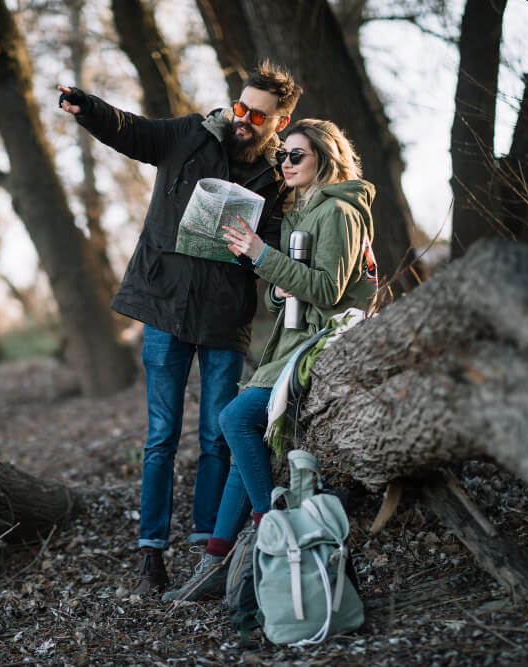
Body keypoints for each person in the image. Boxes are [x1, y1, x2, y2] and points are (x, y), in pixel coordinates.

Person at [57, 62, 303, 596]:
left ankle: (205, 552)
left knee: (218, 436)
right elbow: (133, 130)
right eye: (239, 107)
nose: (242, 118)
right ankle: (151, 554)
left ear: (279, 121)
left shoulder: (278, 174)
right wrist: (89, 107)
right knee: (161, 438)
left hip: (224, 317)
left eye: (256, 114)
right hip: (164, 307)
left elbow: (280, 248)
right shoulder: (190, 134)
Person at [163, 118, 379, 602]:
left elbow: (329, 291)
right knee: (245, 452)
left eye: (295, 155)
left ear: (324, 156)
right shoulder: (305, 211)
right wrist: (278, 288)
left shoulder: (339, 212)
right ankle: (215, 561)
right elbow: (295, 293)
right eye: (282, 155)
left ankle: (271, 526)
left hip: (323, 346)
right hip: (291, 342)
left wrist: (262, 254)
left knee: (235, 419)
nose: (284, 163)